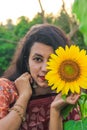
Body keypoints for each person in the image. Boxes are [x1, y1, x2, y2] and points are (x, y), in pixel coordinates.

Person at [0, 24, 80, 130]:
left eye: (51, 61)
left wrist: (55, 111)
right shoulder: (6, 89)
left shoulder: (68, 97)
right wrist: (24, 96)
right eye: (38, 59)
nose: (45, 69)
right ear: (27, 62)